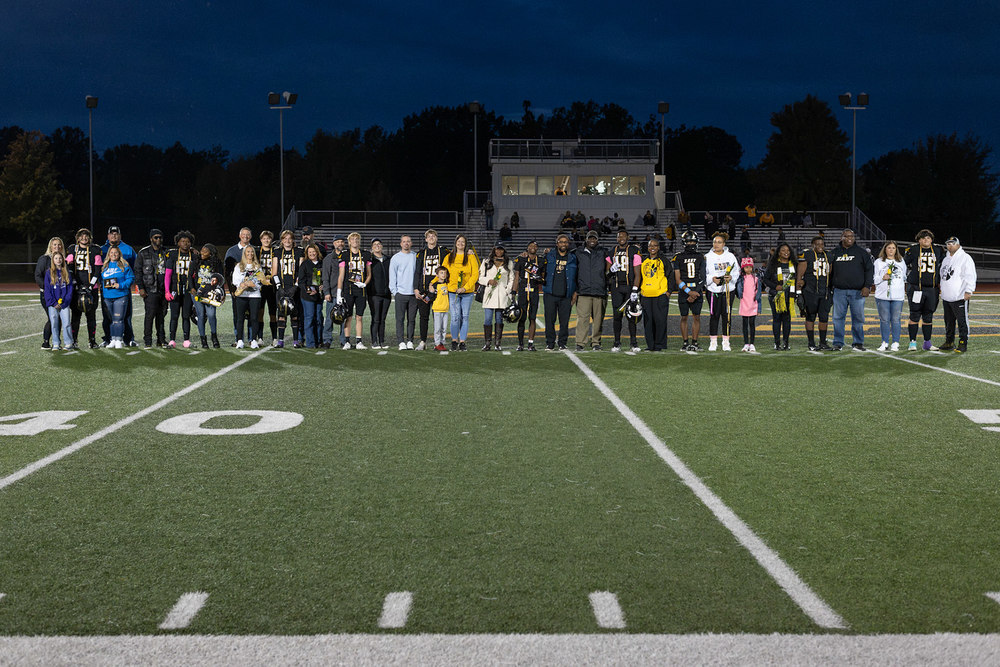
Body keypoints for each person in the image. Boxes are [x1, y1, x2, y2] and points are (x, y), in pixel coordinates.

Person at [829, 229, 874, 351]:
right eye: (846, 236)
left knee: (858, 318)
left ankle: (858, 343)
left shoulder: (862, 253)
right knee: (838, 318)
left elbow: (869, 270)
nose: (850, 238)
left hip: (857, 291)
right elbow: (829, 272)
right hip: (839, 291)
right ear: (841, 238)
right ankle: (838, 342)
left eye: (852, 236)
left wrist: (867, 286)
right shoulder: (834, 253)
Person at [903, 229, 946, 351]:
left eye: (928, 238)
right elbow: (902, 264)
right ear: (919, 240)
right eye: (923, 238)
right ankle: (912, 342)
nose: (925, 240)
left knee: (928, 317)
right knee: (914, 315)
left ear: (931, 239)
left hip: (932, 289)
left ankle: (927, 343)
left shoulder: (938, 250)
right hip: (916, 288)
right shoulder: (914, 249)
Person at [100, 226, 137, 347]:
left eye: (116, 234)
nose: (114, 236)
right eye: (112, 234)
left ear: (120, 235)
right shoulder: (101, 250)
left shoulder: (128, 249)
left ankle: (128, 338)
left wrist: (123, 284)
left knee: (125, 316)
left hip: (122, 291)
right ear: (108, 236)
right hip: (107, 292)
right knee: (108, 317)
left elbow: (134, 267)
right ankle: (108, 339)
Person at [938, 236, 976, 353]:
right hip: (947, 296)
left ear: (958, 245)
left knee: (962, 321)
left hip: (959, 295)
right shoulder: (946, 259)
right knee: (948, 321)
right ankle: (949, 341)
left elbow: (970, 275)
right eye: (948, 243)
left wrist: (969, 291)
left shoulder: (965, 258)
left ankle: (963, 342)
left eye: (953, 243)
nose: (950, 245)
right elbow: (943, 275)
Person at [413, 229, 449, 350]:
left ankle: (438, 342)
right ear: (426, 239)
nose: (431, 237)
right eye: (429, 236)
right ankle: (423, 342)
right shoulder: (421, 253)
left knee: (438, 319)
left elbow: (454, 256)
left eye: (433, 236)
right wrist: (415, 288)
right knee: (423, 317)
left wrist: (468, 252)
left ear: (436, 238)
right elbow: (417, 272)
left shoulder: (443, 251)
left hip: (438, 291)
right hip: (424, 290)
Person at [442, 234, 479, 351]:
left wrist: (465, 287)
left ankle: (462, 341)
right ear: (455, 243)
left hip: (467, 292)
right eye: (459, 242)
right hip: (453, 292)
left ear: (465, 244)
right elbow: (443, 272)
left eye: (463, 242)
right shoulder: (449, 257)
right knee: (455, 317)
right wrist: (448, 287)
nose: (461, 244)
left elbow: (475, 275)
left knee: (465, 316)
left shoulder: (470, 257)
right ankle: (454, 340)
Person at [573, 230, 609, 350]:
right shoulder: (578, 252)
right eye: (590, 238)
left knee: (598, 320)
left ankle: (596, 342)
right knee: (582, 319)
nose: (592, 241)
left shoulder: (604, 252)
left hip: (599, 290)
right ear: (586, 239)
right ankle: (580, 342)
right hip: (583, 291)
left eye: (594, 238)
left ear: (597, 240)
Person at [66, 229, 102, 349]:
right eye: (82, 236)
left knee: (91, 316)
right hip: (77, 288)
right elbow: (69, 267)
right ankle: (74, 340)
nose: (84, 238)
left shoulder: (95, 249)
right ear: (78, 238)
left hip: (92, 287)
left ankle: (92, 341)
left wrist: (90, 286)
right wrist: (76, 284)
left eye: (86, 236)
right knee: (76, 316)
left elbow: (97, 270)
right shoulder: (73, 249)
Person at [796, 235, 833, 351]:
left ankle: (822, 342)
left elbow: (830, 271)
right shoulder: (807, 254)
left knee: (824, 318)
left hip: (824, 292)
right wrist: (799, 291)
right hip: (810, 291)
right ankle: (811, 343)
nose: (820, 246)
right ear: (813, 245)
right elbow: (799, 275)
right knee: (810, 316)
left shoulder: (829, 255)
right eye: (817, 244)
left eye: (821, 244)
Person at [608, 228, 642, 352]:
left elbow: (638, 273)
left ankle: (634, 342)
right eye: (619, 236)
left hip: (629, 287)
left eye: (623, 236)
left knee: (632, 315)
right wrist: (611, 269)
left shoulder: (634, 251)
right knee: (617, 315)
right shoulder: (612, 251)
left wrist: (634, 290)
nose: (621, 238)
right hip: (616, 287)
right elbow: (607, 272)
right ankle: (617, 342)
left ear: (627, 238)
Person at [337, 232, 372, 350]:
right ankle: (347, 341)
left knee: (359, 317)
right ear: (349, 241)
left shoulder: (366, 254)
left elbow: (369, 273)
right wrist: (339, 292)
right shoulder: (345, 255)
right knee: (348, 316)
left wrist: (365, 284)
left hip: (361, 290)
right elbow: (341, 276)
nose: (355, 241)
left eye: (357, 239)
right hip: (348, 289)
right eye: (353, 239)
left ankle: (359, 341)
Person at [542, 233, 578, 351]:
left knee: (564, 321)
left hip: (566, 295)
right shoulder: (549, 255)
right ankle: (550, 342)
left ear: (569, 244)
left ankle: (562, 342)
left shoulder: (573, 258)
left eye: (566, 242)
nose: (563, 244)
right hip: (550, 294)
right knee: (549, 320)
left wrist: (575, 293)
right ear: (557, 243)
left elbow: (577, 277)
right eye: (561, 241)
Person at [705, 231, 738, 351]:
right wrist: (712, 279)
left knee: (727, 316)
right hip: (713, 290)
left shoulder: (730, 256)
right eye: (714, 242)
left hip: (728, 290)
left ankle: (726, 341)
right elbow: (703, 274)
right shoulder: (707, 257)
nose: (716, 244)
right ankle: (713, 341)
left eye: (719, 242)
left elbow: (736, 271)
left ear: (724, 243)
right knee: (714, 315)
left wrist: (731, 278)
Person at [477, 243, 515, 350]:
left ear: (504, 251)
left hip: (501, 295)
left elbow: (511, 278)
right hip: (489, 294)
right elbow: (480, 278)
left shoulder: (509, 263)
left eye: (501, 249)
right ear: (494, 249)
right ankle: (488, 343)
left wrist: (507, 290)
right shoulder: (486, 262)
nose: (499, 251)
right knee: (487, 319)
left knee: (499, 319)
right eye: (497, 249)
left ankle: (498, 344)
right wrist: (488, 281)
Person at [672, 230, 705, 351]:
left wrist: (695, 292)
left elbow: (703, 277)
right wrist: (689, 292)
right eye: (689, 241)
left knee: (697, 317)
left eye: (693, 241)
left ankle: (694, 343)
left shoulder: (700, 257)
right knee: (684, 317)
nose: (691, 243)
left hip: (697, 290)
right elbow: (677, 279)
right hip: (685, 292)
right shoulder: (678, 257)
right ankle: (685, 343)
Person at [136, 229, 168, 349]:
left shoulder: (167, 252)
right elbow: (138, 271)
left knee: (162, 315)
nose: (158, 240)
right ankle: (148, 341)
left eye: (160, 237)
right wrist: (141, 288)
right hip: (150, 289)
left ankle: (161, 340)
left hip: (163, 289)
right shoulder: (143, 253)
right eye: (155, 237)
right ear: (151, 239)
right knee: (150, 315)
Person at [873, 240, 907, 352]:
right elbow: (874, 279)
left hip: (898, 296)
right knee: (884, 320)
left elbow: (904, 277)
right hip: (882, 296)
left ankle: (895, 343)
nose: (891, 250)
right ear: (885, 249)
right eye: (889, 248)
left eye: (893, 248)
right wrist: (882, 277)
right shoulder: (878, 262)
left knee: (896, 320)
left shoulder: (901, 261)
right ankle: (885, 342)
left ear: (896, 249)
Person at [165, 230, 197, 349]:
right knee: (174, 315)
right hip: (175, 288)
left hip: (188, 290)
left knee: (186, 316)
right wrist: (167, 291)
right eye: (183, 241)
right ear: (178, 243)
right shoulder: (173, 255)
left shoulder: (194, 255)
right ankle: (172, 340)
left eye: (188, 242)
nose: (185, 243)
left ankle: (186, 340)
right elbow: (168, 274)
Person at [272, 230, 304, 348]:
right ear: (281, 240)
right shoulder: (277, 252)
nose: (287, 241)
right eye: (285, 239)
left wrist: (296, 286)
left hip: (294, 288)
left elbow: (301, 271)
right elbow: (274, 272)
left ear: (293, 240)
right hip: (282, 287)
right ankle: (280, 340)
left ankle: (295, 341)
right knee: (281, 314)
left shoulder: (299, 251)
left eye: (289, 238)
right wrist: (279, 286)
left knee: (294, 314)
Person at [763, 242, 797, 350]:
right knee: (777, 319)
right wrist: (775, 286)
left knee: (787, 320)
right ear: (778, 253)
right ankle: (777, 343)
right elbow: (765, 279)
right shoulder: (773, 264)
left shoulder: (794, 264)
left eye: (788, 250)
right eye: (783, 250)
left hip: (789, 296)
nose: (786, 252)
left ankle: (786, 343)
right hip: (776, 296)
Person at [639, 238, 671, 351]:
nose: (652, 247)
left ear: (658, 247)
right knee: (648, 322)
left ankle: (660, 345)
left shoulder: (664, 260)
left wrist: (668, 292)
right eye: (650, 246)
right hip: (646, 296)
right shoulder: (643, 261)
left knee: (660, 321)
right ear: (647, 248)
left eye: (655, 245)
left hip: (660, 295)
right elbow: (640, 277)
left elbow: (670, 276)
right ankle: (650, 345)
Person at [190, 243, 224, 348]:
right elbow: (189, 276)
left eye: (205, 251)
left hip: (211, 293)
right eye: (202, 250)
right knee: (200, 315)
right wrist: (192, 288)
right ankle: (203, 340)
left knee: (211, 314)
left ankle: (214, 337)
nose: (202, 252)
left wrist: (221, 292)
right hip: (198, 292)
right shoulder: (195, 261)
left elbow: (221, 279)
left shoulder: (217, 263)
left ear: (211, 252)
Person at [513, 239, 545, 351]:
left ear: (537, 248)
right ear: (527, 248)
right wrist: (514, 291)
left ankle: (530, 343)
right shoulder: (521, 259)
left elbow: (543, 277)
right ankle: (520, 343)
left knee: (532, 318)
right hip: (522, 291)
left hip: (534, 291)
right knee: (522, 317)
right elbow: (516, 276)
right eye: (530, 245)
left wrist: (540, 279)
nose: (533, 247)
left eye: (535, 246)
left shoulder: (540, 260)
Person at [34, 236, 65, 349]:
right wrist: (48, 290)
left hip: (60, 296)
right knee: (53, 317)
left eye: (59, 244)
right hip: (47, 295)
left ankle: (55, 342)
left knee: (58, 318)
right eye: (55, 244)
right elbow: (38, 276)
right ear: (50, 247)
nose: (57, 246)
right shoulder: (44, 259)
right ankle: (46, 342)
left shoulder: (62, 260)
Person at [224, 227, 254, 345]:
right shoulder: (231, 251)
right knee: (238, 315)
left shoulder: (254, 250)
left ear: (250, 237)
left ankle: (252, 338)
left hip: (252, 289)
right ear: (239, 236)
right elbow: (227, 272)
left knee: (252, 314)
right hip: (237, 289)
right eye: (243, 234)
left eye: (248, 235)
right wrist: (232, 289)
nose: (245, 236)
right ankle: (238, 339)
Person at [232, 245, 264, 349]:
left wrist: (253, 284)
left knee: (254, 318)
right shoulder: (238, 266)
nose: (250, 254)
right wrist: (242, 284)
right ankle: (240, 340)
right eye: (248, 252)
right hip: (242, 295)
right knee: (240, 318)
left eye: (252, 252)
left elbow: (261, 282)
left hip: (255, 295)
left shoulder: (257, 267)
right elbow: (235, 281)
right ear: (244, 253)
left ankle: (253, 340)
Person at [389, 234, 417, 350]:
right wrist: (395, 292)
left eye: (408, 241)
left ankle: (410, 340)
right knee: (400, 319)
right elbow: (392, 276)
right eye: (404, 241)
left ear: (411, 243)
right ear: (401, 244)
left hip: (413, 294)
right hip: (400, 294)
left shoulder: (415, 256)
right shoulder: (395, 258)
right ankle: (401, 341)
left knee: (412, 319)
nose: (406, 243)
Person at [43, 251, 75, 350]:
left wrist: (65, 302)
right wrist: (53, 302)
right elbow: (47, 289)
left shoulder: (66, 272)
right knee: (54, 324)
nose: (58, 260)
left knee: (66, 323)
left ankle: (68, 342)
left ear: (63, 260)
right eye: (56, 258)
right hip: (53, 304)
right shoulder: (49, 273)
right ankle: (56, 343)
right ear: (53, 260)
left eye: (60, 258)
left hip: (64, 304)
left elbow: (70, 289)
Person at [321, 235, 347, 349]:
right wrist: (326, 292)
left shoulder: (347, 257)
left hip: (345, 293)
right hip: (332, 292)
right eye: (337, 242)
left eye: (342, 242)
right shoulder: (328, 258)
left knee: (344, 318)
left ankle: (344, 340)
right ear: (334, 244)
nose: (340, 244)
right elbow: (325, 277)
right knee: (329, 318)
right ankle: (327, 340)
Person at [298, 244, 324, 349]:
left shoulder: (322, 263)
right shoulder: (305, 264)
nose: (312, 254)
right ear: (307, 254)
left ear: (317, 252)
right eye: (309, 252)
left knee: (318, 318)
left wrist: (323, 286)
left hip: (319, 296)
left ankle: (319, 341)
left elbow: (325, 278)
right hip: (307, 296)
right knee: (309, 319)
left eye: (313, 252)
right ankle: (310, 343)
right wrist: (310, 290)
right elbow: (301, 281)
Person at [368, 238, 392, 349]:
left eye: (379, 244)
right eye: (375, 244)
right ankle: (374, 342)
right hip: (374, 294)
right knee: (376, 318)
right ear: (372, 247)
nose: (377, 246)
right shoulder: (370, 260)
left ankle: (382, 341)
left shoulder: (388, 259)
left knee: (383, 319)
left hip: (386, 294)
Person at [735, 257, 762, 352]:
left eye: (750, 267)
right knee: (745, 324)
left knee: (752, 324)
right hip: (744, 304)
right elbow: (738, 292)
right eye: (746, 267)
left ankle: (752, 343)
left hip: (753, 304)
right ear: (743, 268)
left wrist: (759, 308)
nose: (748, 269)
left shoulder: (756, 279)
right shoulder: (741, 279)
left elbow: (758, 294)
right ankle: (746, 343)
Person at [256, 230, 278, 344]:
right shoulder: (256, 251)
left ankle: (274, 338)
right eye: (264, 238)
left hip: (271, 286)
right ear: (261, 240)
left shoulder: (275, 252)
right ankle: (260, 338)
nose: (266, 240)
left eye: (268, 238)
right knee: (260, 312)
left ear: (271, 240)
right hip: (260, 286)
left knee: (273, 313)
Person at [430, 266, 451, 351]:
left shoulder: (447, 284)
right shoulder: (435, 285)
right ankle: (437, 343)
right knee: (437, 328)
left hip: (445, 309)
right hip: (437, 309)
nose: (443, 275)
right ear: (437, 275)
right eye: (441, 273)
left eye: (445, 273)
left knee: (444, 328)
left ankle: (442, 342)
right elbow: (430, 297)